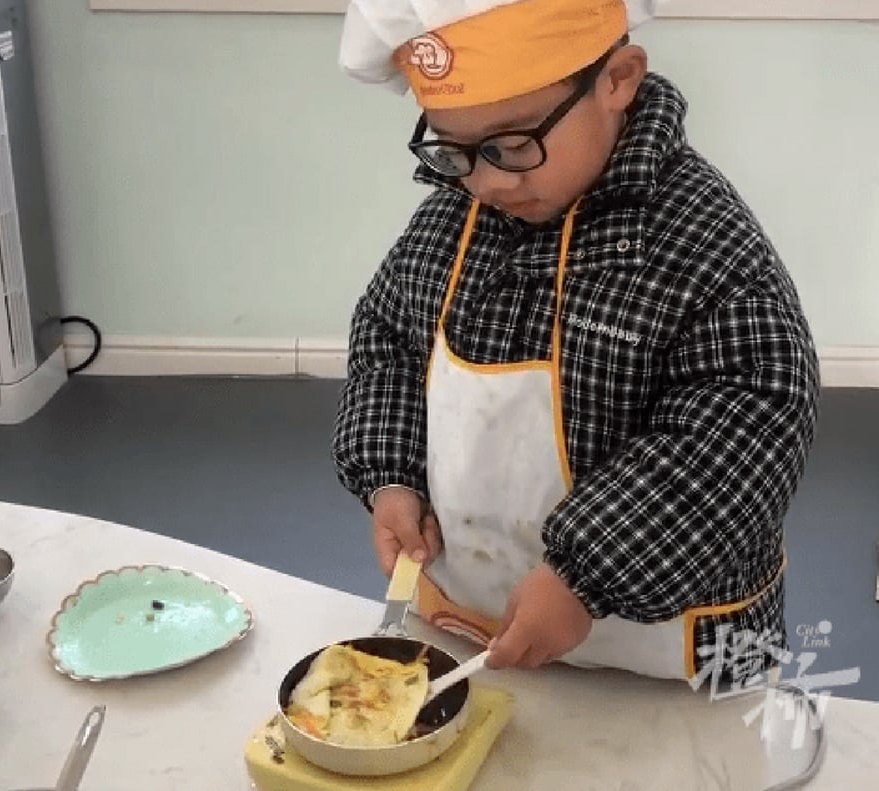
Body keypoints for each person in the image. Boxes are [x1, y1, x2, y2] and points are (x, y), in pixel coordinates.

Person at [331, 0, 820, 685]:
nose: (489, 181)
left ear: (618, 79)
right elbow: (387, 340)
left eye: (513, 143)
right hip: (471, 625)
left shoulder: (703, 249)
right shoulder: (454, 216)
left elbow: (744, 425)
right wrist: (390, 473)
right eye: (455, 149)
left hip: (670, 657)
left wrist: (587, 573)